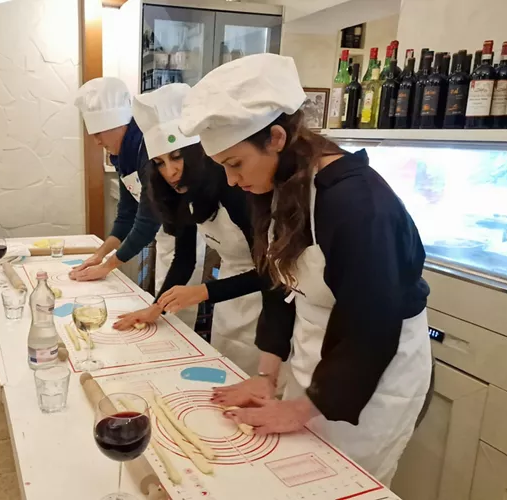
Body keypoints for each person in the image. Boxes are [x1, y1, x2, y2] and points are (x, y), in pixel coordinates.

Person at [179, 53, 432, 485]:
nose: (232, 181)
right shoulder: (279, 187)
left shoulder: (355, 202)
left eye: (235, 164)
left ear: (276, 137)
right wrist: (266, 377)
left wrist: (300, 407)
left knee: (339, 484)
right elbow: (281, 284)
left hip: (370, 381)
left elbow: (372, 328)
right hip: (314, 368)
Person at [112, 83, 264, 375]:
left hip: (269, 299)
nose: (170, 172)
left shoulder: (234, 187)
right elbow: (185, 259)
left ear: (198, 152)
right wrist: (155, 308)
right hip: (229, 296)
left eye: (177, 157)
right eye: (160, 163)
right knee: (227, 373)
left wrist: (202, 291)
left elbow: (271, 272)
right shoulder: (181, 192)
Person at [73, 77, 205, 328]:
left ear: (116, 125)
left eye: (98, 133)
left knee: (177, 315)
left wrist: (108, 266)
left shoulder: (149, 154)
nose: (96, 141)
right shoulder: (123, 157)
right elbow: (126, 215)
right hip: (168, 238)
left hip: (183, 235)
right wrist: (100, 255)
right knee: (163, 306)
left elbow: (147, 221)